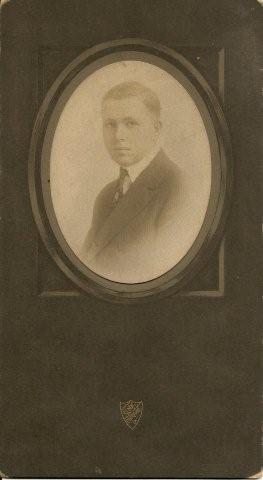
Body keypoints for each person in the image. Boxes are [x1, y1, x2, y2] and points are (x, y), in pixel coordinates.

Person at [80, 81, 180, 283]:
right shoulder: (106, 195)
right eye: (110, 124)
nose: (118, 136)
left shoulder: (179, 188)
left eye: (130, 123)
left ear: (156, 129)